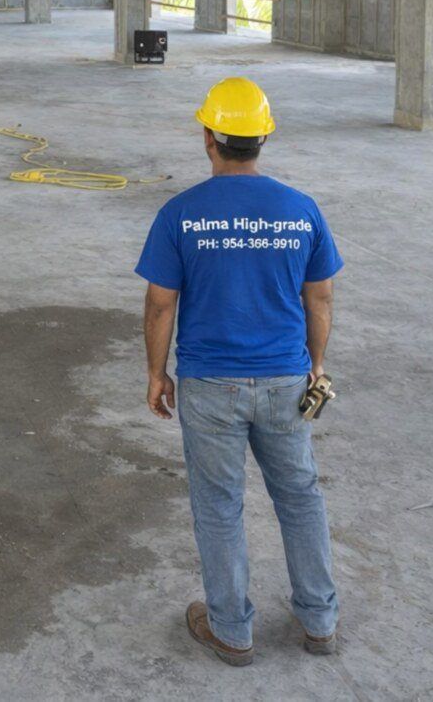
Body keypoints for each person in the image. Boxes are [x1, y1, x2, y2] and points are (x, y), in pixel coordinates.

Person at [135, 77, 343, 666]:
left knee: (219, 504)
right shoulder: (300, 209)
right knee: (300, 497)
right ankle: (320, 621)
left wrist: (157, 372)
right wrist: (316, 365)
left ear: (208, 137)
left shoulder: (182, 213)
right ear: (264, 138)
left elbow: (160, 302)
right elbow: (319, 299)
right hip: (285, 380)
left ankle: (231, 630)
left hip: (209, 385)